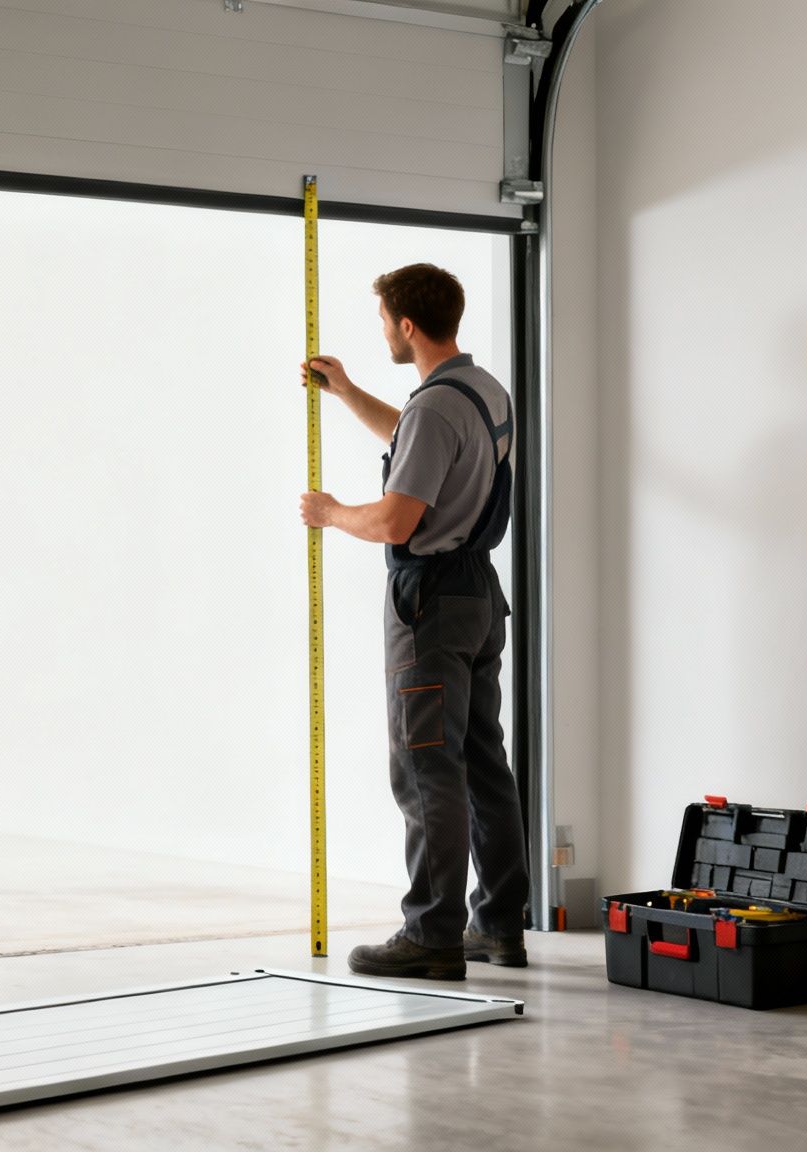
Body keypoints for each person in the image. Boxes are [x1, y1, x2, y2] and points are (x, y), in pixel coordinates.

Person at [297, 262, 529, 981]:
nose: (384, 336)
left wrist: (331, 513)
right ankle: (498, 925)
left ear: (405, 325)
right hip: (480, 598)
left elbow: (399, 515)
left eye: (384, 324)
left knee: (427, 764)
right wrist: (346, 393)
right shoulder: (481, 389)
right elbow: (417, 435)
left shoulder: (435, 407)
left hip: (430, 602)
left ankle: (432, 935)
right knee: (484, 761)